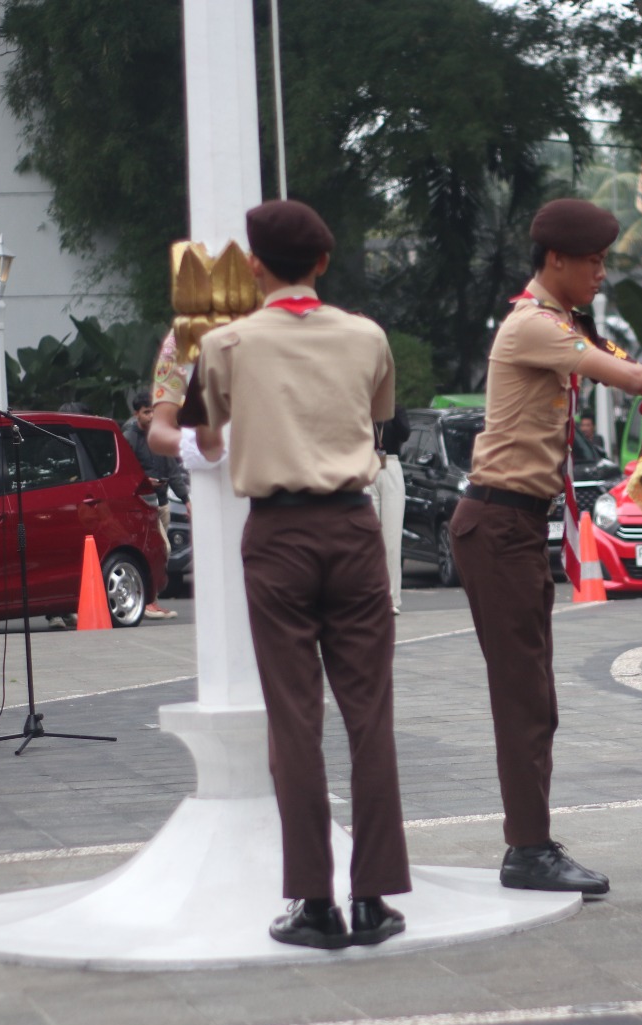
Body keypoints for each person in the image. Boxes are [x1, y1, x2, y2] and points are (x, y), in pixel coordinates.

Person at [451, 198, 642, 895]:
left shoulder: (559, 324)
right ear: (555, 262)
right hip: (498, 525)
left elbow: (631, 369)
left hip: (515, 525)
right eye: (595, 261)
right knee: (524, 696)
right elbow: (634, 380)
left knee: (533, 693)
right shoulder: (532, 328)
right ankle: (528, 850)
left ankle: (533, 839)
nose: (603, 273)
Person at [185, 199, 411, 949]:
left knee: (296, 721)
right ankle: (375, 897)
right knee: (369, 716)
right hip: (352, 527)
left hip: (278, 535)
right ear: (322, 263)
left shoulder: (226, 344)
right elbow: (379, 418)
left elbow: (205, 434)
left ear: (253, 268)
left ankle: (314, 901)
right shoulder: (367, 336)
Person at [122, 390, 187, 621]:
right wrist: (143, 481)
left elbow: (174, 471)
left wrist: (186, 499)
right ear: (136, 413)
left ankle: (151, 599)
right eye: (147, 412)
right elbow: (124, 472)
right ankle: (150, 601)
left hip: (162, 502)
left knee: (162, 553)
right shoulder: (129, 438)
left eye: (154, 411)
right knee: (163, 549)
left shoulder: (160, 437)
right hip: (143, 506)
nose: (151, 416)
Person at [367, 404, 409, 614]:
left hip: (390, 464)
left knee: (392, 538)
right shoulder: (362, 404)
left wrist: (391, 410)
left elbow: (405, 433)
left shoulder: (394, 408)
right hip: (366, 464)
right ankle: (370, 596)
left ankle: (391, 598)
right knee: (369, 538)